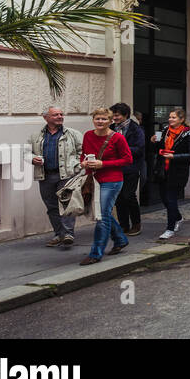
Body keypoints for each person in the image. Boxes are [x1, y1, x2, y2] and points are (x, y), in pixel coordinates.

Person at [79, 107, 132, 265]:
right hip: (92, 179)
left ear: (110, 121)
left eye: (103, 119)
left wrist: (104, 164)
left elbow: (127, 159)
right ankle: (120, 239)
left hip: (112, 180)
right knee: (105, 213)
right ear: (93, 120)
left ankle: (96, 253)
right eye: (97, 118)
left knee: (101, 216)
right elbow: (83, 153)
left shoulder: (117, 138)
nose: (100, 121)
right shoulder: (88, 135)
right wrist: (83, 162)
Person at [27, 106, 82, 247]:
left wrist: (75, 164)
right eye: (55, 114)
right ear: (46, 117)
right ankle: (59, 234)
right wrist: (32, 158)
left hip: (66, 175)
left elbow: (82, 152)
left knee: (67, 205)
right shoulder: (35, 136)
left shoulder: (73, 134)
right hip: (45, 175)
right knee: (51, 207)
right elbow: (25, 152)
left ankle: (68, 234)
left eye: (61, 114)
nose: (60, 116)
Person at [152, 108, 190, 240]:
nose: (170, 119)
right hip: (162, 169)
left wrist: (174, 156)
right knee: (165, 199)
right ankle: (178, 218)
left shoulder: (189, 134)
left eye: (173, 117)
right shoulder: (164, 130)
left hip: (178, 171)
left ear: (181, 119)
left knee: (171, 199)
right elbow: (157, 149)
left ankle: (170, 229)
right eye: (170, 117)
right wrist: (153, 141)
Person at [110, 103, 144, 235]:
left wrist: (122, 150)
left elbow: (139, 149)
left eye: (117, 115)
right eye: (113, 115)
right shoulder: (111, 128)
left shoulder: (136, 129)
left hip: (131, 168)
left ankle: (136, 224)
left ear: (125, 115)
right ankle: (123, 225)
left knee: (129, 196)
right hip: (115, 168)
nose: (114, 117)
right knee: (118, 198)